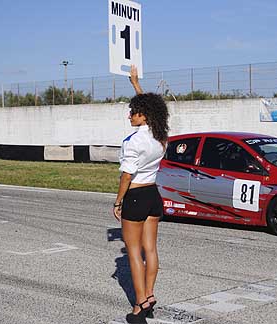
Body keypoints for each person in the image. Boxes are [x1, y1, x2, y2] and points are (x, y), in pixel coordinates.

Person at [113, 65, 169, 324]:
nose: (129, 117)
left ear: (142, 116)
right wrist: (135, 84)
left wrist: (118, 201)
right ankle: (150, 295)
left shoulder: (133, 141)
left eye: (132, 113)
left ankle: (140, 304)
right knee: (151, 250)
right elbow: (150, 107)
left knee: (134, 253)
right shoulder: (161, 136)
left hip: (135, 197)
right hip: (153, 195)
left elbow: (126, 176)